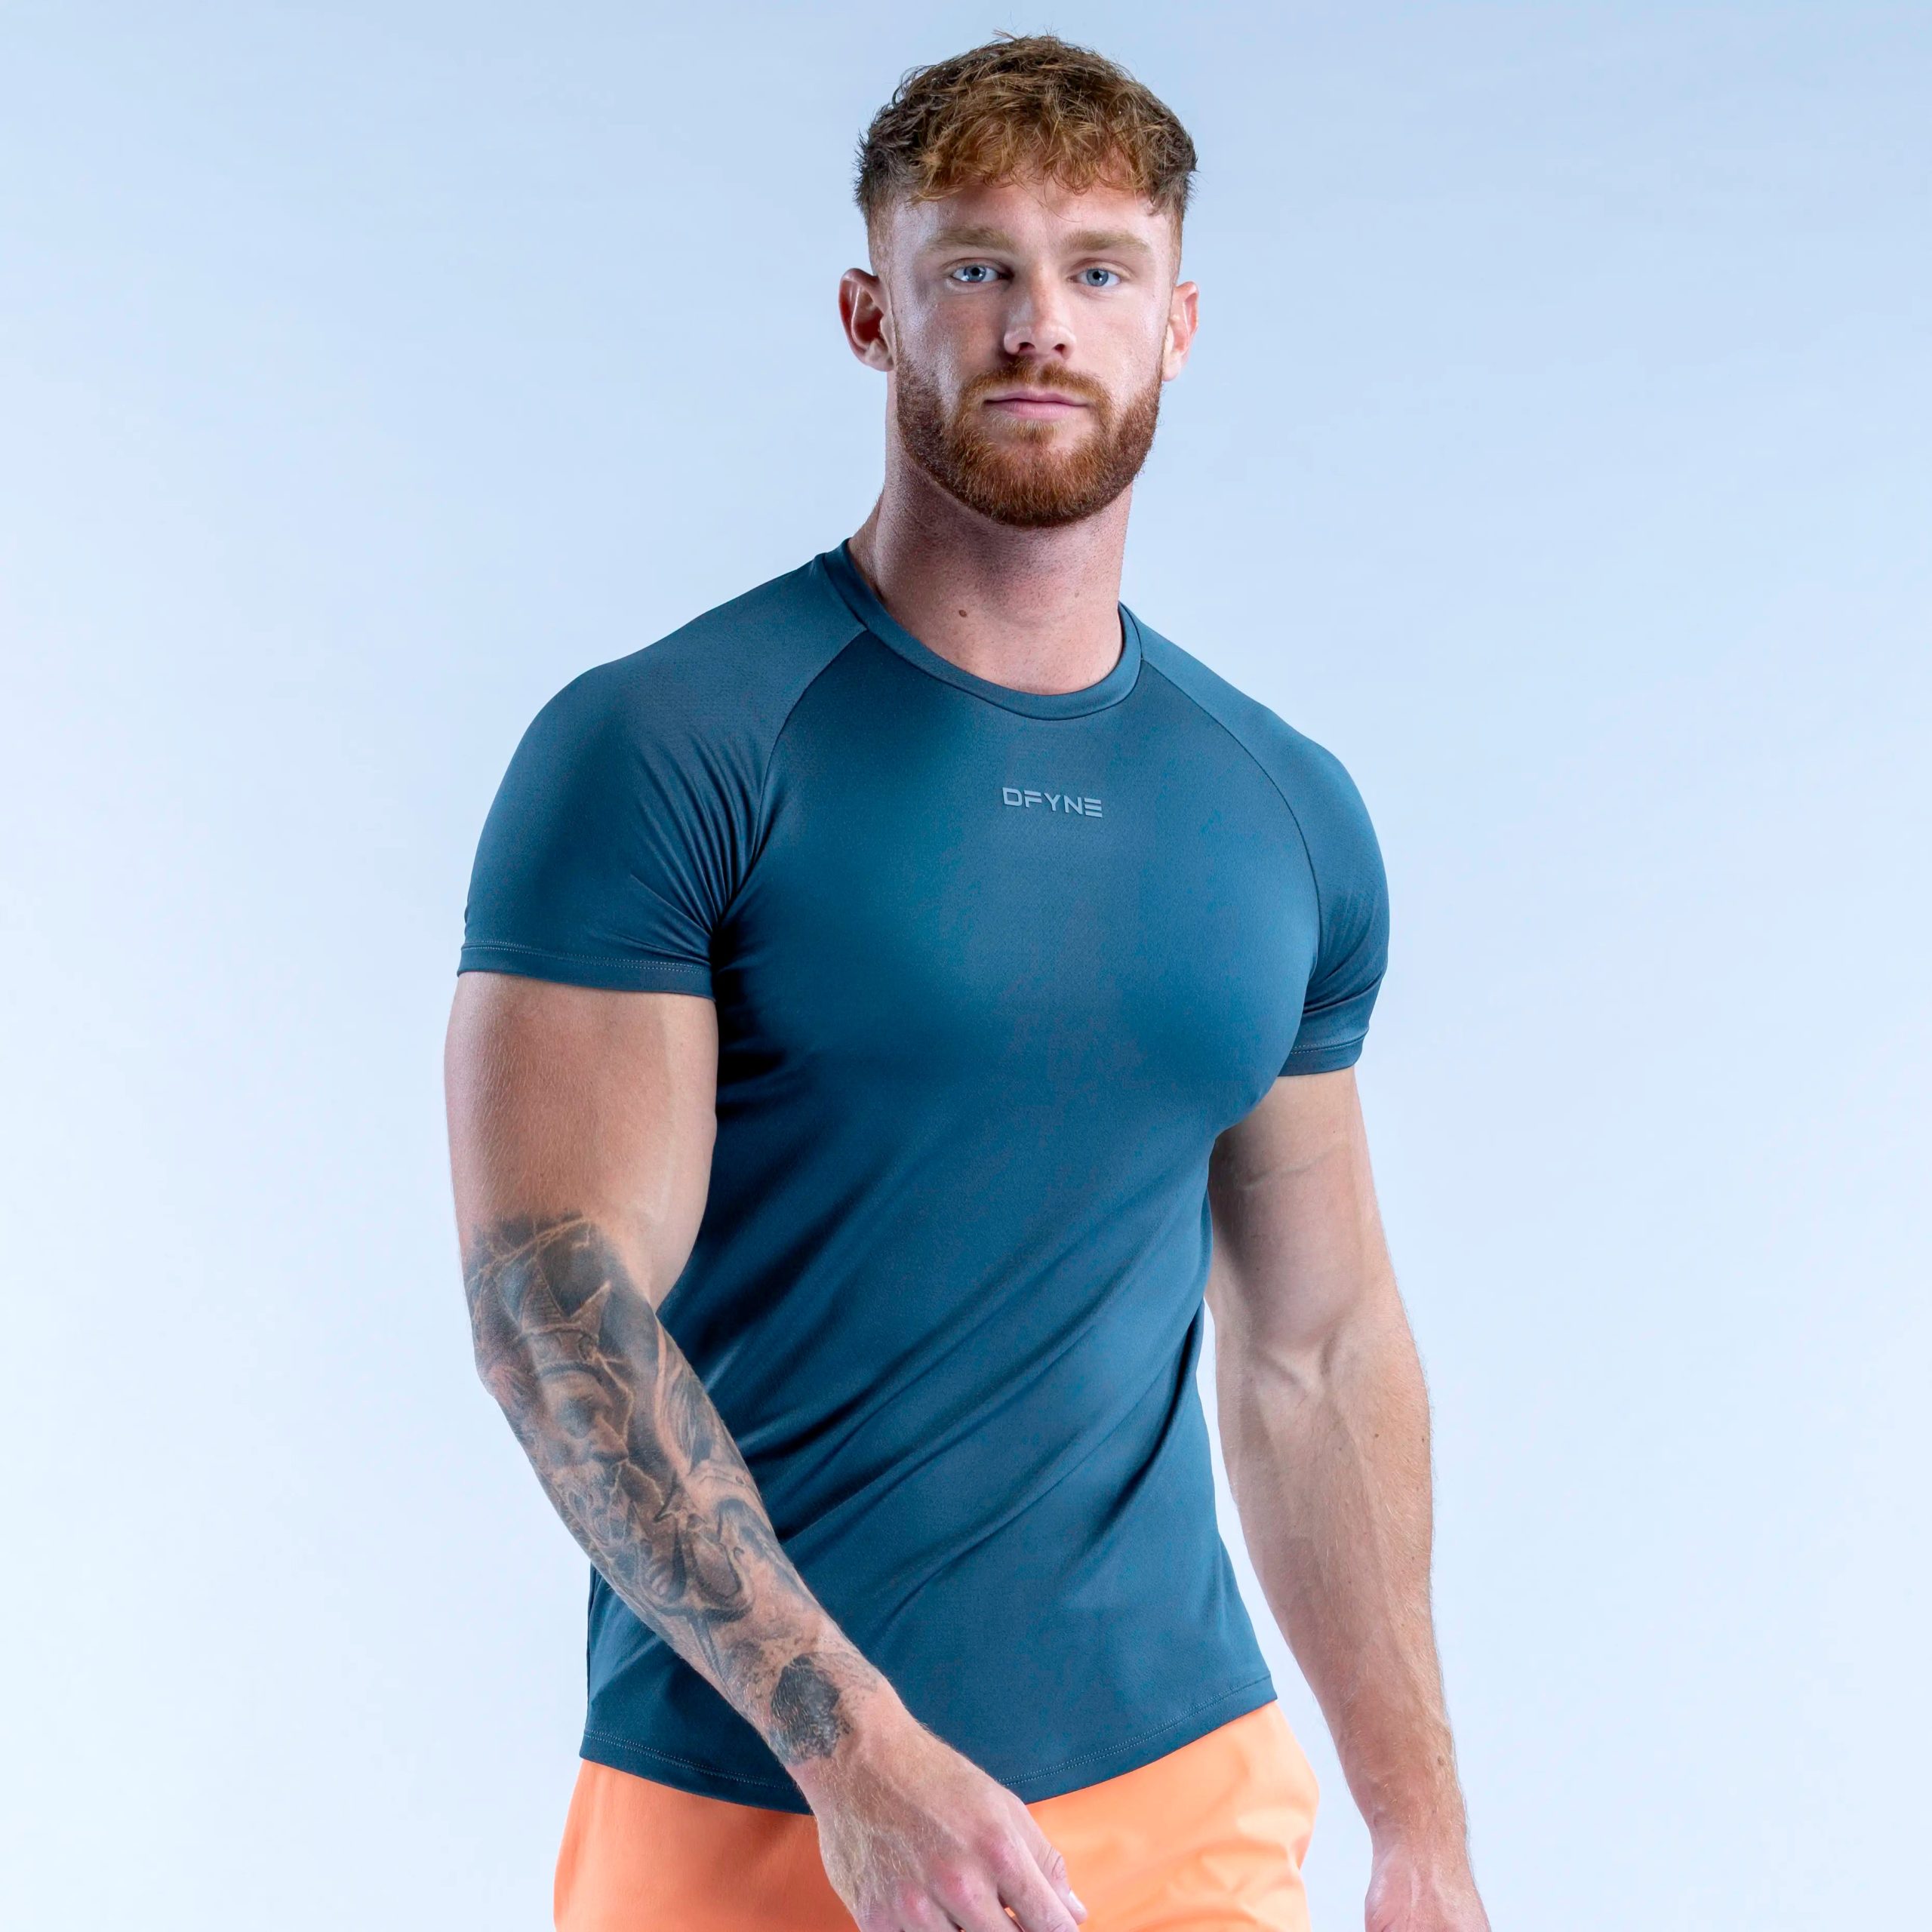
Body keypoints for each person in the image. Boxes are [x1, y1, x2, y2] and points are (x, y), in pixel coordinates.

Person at [445, 32, 1489, 1932]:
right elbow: (552, 1302)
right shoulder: (668, 747)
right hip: (760, 1802)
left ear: (1177, 323)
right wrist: (858, 1753)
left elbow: (1315, 1340)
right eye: (975, 265)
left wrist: (1417, 1827)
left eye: (1098, 269)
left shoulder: (1277, 807)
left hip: (1183, 1798)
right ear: (872, 312)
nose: (1039, 324)